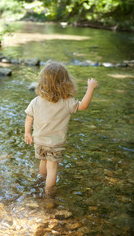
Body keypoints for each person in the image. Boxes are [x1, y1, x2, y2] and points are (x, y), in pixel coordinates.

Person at [24, 61, 98, 194]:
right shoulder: (68, 102)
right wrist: (90, 88)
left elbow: (29, 117)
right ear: (65, 82)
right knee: (52, 167)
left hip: (39, 140)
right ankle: (48, 193)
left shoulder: (36, 101)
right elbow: (84, 105)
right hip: (55, 143)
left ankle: (41, 181)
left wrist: (27, 133)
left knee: (43, 161)